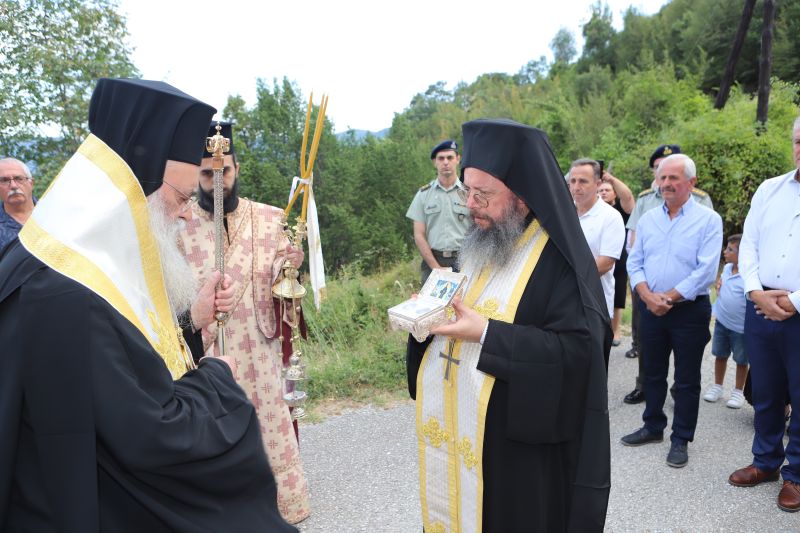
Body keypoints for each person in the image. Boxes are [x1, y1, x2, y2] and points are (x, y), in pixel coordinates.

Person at [0, 78, 296, 532]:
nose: (184, 212)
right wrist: (219, 381)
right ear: (126, 194)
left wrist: (190, 325)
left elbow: (123, 359)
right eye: (179, 197)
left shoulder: (65, 257)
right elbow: (150, 433)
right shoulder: (65, 295)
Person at [407, 118, 610, 532]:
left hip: (518, 453)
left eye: (483, 195)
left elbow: (580, 352)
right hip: (464, 424)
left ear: (522, 196)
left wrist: (486, 332)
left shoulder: (559, 261)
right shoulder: (482, 244)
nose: (470, 205)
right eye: (468, 191)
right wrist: (428, 317)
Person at [178, 121, 311, 524]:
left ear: (237, 169)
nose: (216, 182)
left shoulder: (271, 219)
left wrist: (290, 271)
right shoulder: (178, 225)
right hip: (208, 358)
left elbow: (281, 289)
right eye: (205, 173)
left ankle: (281, 510)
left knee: (269, 435)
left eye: (225, 172)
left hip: (261, 351)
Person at [621, 153, 722, 468]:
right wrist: (647, 295)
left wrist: (669, 296)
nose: (665, 184)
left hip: (689, 311)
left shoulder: (708, 220)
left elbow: (706, 271)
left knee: (687, 379)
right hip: (651, 308)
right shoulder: (649, 218)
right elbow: (634, 260)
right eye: (662, 178)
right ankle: (653, 426)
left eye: (673, 178)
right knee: (652, 372)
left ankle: (681, 439)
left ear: (691, 182)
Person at [728, 117, 800, 512]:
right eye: (798, 141)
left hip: (799, 310)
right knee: (767, 392)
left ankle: (796, 476)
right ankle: (766, 462)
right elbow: (750, 244)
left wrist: (795, 301)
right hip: (761, 307)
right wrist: (755, 290)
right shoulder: (770, 189)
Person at [569, 159, 624, 363]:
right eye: (572, 181)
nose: (576, 186)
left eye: (583, 181)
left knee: (594, 369)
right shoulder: (563, 213)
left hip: (594, 304)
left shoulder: (610, 217)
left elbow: (605, 263)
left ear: (598, 183)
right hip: (563, 303)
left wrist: (565, 278)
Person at [406, 140, 471, 285]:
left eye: (450, 157)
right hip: (433, 261)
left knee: (465, 303)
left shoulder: (469, 193)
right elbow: (419, 234)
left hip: (466, 259)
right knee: (433, 307)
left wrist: (470, 262)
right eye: (441, 158)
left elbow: (478, 229)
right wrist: (436, 268)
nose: (446, 162)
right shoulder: (423, 194)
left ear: (458, 159)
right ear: (435, 162)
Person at [703, 234, 748, 409]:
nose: (725, 251)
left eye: (730, 249)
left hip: (741, 328)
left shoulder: (748, 274)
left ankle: (738, 391)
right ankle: (717, 386)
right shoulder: (728, 269)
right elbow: (722, 287)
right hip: (722, 322)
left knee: (741, 360)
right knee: (720, 355)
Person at [598, 171, 634, 345]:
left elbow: (627, 197)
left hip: (618, 260)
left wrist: (611, 178)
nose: (603, 192)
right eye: (601, 190)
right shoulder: (593, 210)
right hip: (598, 258)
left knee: (618, 296)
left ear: (614, 193)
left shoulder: (620, 210)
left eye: (607, 190)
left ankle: (616, 330)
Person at [0, 158, 36, 250]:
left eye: (19, 179)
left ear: (31, 183)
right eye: (4, 180)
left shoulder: (54, 214)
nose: (13, 186)